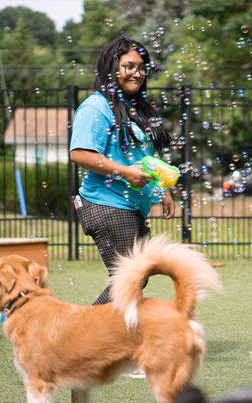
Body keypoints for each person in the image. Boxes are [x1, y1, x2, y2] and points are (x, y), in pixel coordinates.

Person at [70, 36, 175, 306]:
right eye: (129, 66)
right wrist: (125, 172)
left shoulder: (134, 108)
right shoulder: (96, 107)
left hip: (130, 205)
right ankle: (82, 336)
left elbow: (145, 157)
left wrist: (162, 189)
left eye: (142, 67)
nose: (137, 73)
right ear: (111, 68)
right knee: (128, 278)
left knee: (136, 277)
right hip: (106, 203)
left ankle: (112, 341)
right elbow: (79, 154)